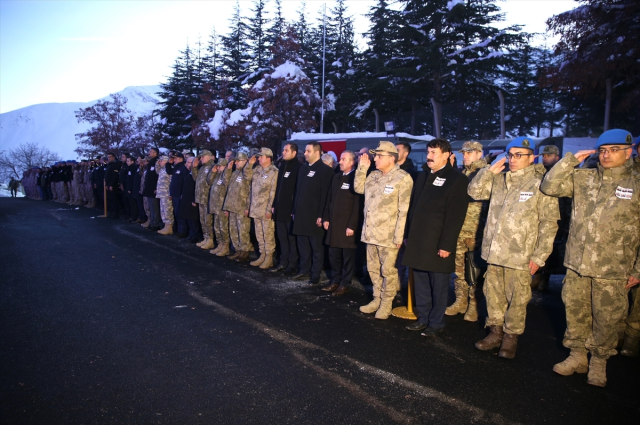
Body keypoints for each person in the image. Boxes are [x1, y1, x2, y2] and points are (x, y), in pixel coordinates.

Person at [541, 129, 640, 387]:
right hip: (577, 264)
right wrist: (570, 160)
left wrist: (638, 270)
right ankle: (577, 356)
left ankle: (599, 362)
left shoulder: (637, 183)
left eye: (614, 150)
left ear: (628, 152)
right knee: (575, 312)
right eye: (603, 150)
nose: (607, 155)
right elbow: (549, 186)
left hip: (613, 267)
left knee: (607, 318)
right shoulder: (585, 179)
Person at [468, 136, 559, 359]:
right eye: (511, 155)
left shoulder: (541, 183)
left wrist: (540, 256)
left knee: (517, 299)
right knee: (493, 294)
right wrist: (489, 170)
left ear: (532, 158)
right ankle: (495, 332)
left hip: (521, 254)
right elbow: (474, 192)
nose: (514, 159)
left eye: (520, 155)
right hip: (495, 251)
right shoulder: (499, 179)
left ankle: (511, 337)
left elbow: (549, 222)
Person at [403, 139, 469, 335]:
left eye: (434, 153)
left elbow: (455, 217)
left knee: (439, 286)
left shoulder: (457, 179)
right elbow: (413, 209)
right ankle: (423, 318)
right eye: (428, 152)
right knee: (421, 283)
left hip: (438, 242)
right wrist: (408, 235)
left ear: (447, 155)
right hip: (418, 241)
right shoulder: (423, 176)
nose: (429, 156)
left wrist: (447, 244)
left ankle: (436, 322)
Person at [355, 141, 413, 319]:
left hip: (388, 235)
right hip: (371, 233)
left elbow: (404, 210)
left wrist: (399, 236)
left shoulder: (403, 178)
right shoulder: (372, 175)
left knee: (388, 271)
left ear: (392, 158)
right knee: (373, 269)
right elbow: (358, 188)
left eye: (379, 156)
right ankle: (376, 298)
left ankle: (387, 303)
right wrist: (361, 169)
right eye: (375, 155)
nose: (375, 158)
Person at [445, 141, 488, 322]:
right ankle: (461, 300)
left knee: (474, 269)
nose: (466, 156)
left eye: (470, 152)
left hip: (475, 229)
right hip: (460, 228)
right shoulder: (463, 173)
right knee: (459, 268)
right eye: (464, 153)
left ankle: (474, 303)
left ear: (480, 153)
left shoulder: (486, 173)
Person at [292, 142, 335, 285]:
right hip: (301, 214)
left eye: (308, 151)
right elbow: (297, 192)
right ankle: (304, 270)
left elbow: (326, 195)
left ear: (317, 153)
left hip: (315, 216)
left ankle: (315, 274)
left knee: (316, 247)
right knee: (303, 245)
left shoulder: (325, 170)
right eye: (305, 151)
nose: (305, 153)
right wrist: (294, 210)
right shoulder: (303, 169)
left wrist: (322, 215)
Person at [321, 151, 363, 296]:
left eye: (344, 159)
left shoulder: (356, 178)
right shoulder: (336, 177)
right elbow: (329, 199)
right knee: (334, 256)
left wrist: (352, 225)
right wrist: (326, 217)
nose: (340, 161)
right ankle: (335, 281)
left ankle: (345, 284)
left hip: (346, 226)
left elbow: (358, 205)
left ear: (352, 162)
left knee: (347, 258)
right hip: (334, 225)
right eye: (340, 159)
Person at [271, 143, 303, 274]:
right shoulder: (282, 166)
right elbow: (278, 189)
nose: (283, 152)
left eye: (286, 150)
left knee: (291, 239)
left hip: (290, 210)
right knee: (282, 238)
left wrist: (294, 210)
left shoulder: (299, 167)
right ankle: (283, 262)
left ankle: (292, 264)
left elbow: (298, 191)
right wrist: (274, 205)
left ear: (294, 153)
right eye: (283, 150)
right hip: (279, 209)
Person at [246, 148, 279, 269]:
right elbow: (246, 177)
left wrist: (269, 209)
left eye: (261, 156)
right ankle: (262, 255)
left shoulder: (274, 172)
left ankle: (269, 257)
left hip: (265, 209)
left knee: (268, 234)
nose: (258, 158)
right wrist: (249, 164)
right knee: (259, 234)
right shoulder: (257, 169)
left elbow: (273, 193)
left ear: (268, 158)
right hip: (255, 208)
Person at [223, 152, 254, 262]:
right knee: (233, 229)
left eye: (238, 161)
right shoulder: (235, 172)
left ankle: (245, 252)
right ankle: (238, 250)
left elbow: (250, 190)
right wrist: (228, 170)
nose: (236, 162)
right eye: (235, 160)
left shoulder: (247, 173)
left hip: (242, 207)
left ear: (245, 161)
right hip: (232, 206)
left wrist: (247, 207)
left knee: (243, 230)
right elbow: (226, 183)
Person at [192, 150, 216, 250]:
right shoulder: (202, 168)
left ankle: (210, 240)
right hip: (201, 198)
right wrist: (194, 167)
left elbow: (212, 182)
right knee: (203, 220)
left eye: (203, 157)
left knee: (208, 220)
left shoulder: (213, 167)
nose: (201, 159)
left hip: (208, 198)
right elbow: (195, 178)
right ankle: (206, 238)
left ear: (210, 156)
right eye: (200, 157)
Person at [208, 158, 232, 256]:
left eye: (220, 166)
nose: (218, 167)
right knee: (217, 227)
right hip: (215, 206)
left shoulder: (227, 176)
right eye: (217, 166)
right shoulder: (217, 175)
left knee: (223, 228)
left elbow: (227, 185)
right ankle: (220, 244)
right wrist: (213, 172)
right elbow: (209, 181)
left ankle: (225, 247)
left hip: (222, 206)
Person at [179, 156, 202, 244]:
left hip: (192, 199)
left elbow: (197, 187)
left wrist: (195, 199)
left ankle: (195, 236)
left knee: (193, 219)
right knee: (188, 217)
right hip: (186, 198)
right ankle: (191, 234)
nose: (187, 164)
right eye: (187, 162)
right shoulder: (188, 172)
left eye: (189, 162)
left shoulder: (197, 172)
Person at [168, 152, 189, 237]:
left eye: (175, 158)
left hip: (180, 195)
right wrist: (169, 163)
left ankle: (183, 231)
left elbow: (184, 183)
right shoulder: (176, 167)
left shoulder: (183, 168)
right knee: (176, 212)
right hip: (175, 194)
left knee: (180, 213)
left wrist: (182, 194)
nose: (174, 160)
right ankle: (179, 229)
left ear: (180, 159)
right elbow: (169, 171)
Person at [141, 148, 162, 231]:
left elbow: (157, 176)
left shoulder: (156, 162)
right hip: (149, 188)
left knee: (155, 207)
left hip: (154, 188)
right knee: (151, 207)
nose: (149, 153)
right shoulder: (150, 163)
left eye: (151, 151)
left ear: (155, 153)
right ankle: (152, 221)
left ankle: (156, 223)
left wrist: (156, 188)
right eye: (149, 151)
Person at [156, 155, 173, 235]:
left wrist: (170, 193)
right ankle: (166, 226)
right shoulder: (162, 169)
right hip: (161, 194)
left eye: (161, 161)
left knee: (167, 211)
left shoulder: (168, 170)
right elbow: (156, 170)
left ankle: (169, 227)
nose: (160, 162)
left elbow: (171, 182)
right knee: (163, 211)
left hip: (166, 194)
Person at [104, 153, 121, 219]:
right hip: (108, 184)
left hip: (113, 185)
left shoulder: (115, 165)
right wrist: (106, 184)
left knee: (114, 199)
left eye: (110, 157)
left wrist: (111, 185)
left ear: (113, 157)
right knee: (110, 199)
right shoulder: (109, 165)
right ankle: (112, 211)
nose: (109, 158)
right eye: (108, 157)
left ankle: (116, 213)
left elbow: (115, 176)